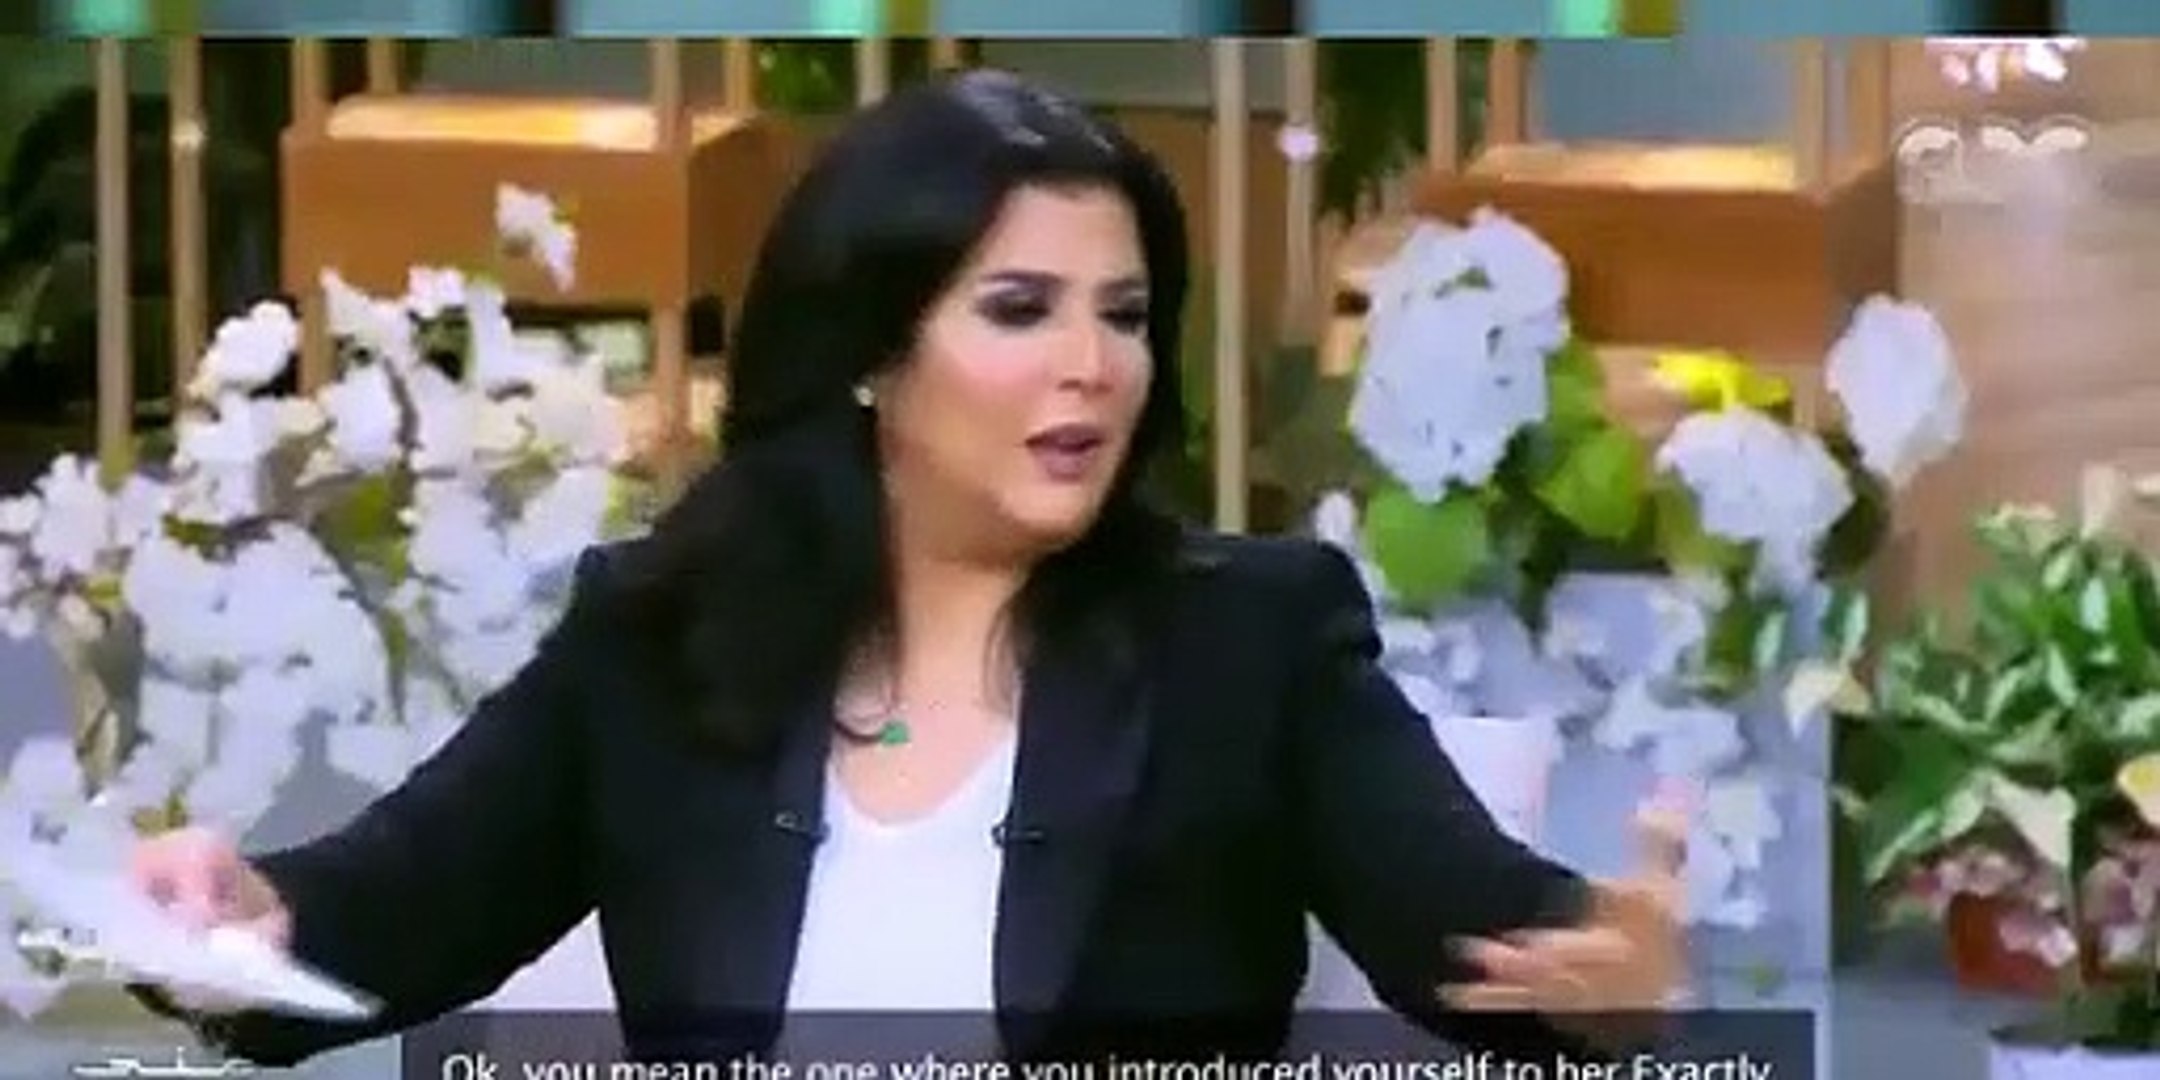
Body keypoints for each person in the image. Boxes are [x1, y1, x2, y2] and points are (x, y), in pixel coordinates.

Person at [126, 69, 1687, 1067]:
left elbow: (1473, 925)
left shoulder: (1250, 640)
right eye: (1019, 310)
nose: (1092, 365)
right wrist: (235, 917)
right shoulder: (660, 636)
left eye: (1124, 316)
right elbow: (388, 911)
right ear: (873, 351)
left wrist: (1611, 974)